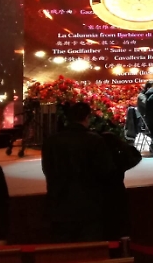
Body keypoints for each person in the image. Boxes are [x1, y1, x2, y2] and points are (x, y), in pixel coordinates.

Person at [42, 102, 115, 242]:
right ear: (87, 117)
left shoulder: (51, 141)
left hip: (59, 206)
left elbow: (47, 169)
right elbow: (106, 170)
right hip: (89, 207)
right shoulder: (94, 140)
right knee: (90, 250)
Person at [100, 131, 142, 239]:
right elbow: (135, 156)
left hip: (100, 195)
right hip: (118, 193)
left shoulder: (98, 159)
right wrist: (122, 144)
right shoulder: (118, 159)